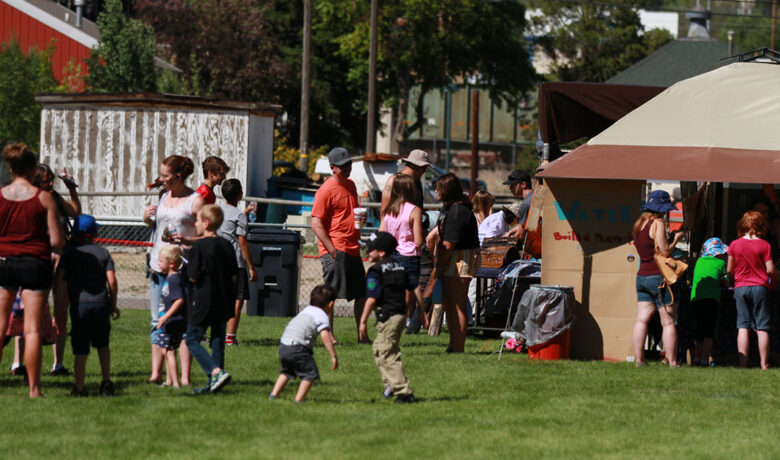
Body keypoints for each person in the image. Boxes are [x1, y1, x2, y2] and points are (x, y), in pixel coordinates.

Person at [0, 143, 64, 398]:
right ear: (32, 168)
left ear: (11, 167)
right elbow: (57, 240)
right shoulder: (44, 197)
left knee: (1, 323)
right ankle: (34, 389)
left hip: (4, 262)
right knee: (33, 329)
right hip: (34, 263)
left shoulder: (1, 195)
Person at [142, 155, 201, 385]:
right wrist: (147, 218)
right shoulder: (163, 195)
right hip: (159, 265)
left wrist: (186, 239)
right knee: (157, 319)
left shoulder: (195, 201)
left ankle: (184, 378)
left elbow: (205, 233)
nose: (161, 179)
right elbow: (156, 228)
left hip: (182, 269)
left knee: (183, 324)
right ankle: (156, 374)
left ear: (178, 176)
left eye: (165, 176)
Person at [311, 147, 367, 343]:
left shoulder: (351, 185)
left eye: (349, 165)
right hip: (335, 249)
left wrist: (361, 218)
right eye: (343, 166)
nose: (348, 169)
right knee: (330, 296)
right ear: (333, 168)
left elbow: (350, 212)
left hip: (353, 247)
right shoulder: (325, 190)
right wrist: (331, 248)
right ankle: (330, 337)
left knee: (361, 294)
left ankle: (362, 335)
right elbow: (316, 223)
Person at [61, 215, 120, 396]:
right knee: (103, 344)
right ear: (94, 232)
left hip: (79, 305)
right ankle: (106, 383)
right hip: (100, 303)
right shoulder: (103, 252)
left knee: (80, 348)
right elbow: (112, 281)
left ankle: (79, 386)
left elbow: (60, 280)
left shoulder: (70, 254)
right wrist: (113, 303)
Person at [33, 164, 81, 376]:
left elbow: (75, 211)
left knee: (61, 312)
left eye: (52, 179)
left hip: (62, 258)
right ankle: (19, 364)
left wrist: (72, 190)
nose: (51, 184)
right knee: (29, 313)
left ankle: (58, 364)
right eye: (46, 180)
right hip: (37, 260)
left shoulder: (54, 197)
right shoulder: (30, 199)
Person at [358, 232, 419, 403]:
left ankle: (404, 392)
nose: (367, 253)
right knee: (378, 348)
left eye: (370, 249)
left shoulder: (375, 271)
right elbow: (414, 289)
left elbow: (371, 299)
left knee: (388, 353)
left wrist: (362, 322)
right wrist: (421, 310)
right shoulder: (400, 267)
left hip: (389, 317)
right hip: (399, 315)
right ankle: (390, 385)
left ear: (382, 252)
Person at [186, 205, 238, 394]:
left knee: (191, 338)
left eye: (198, 220)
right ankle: (214, 384)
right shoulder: (226, 245)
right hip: (224, 299)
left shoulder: (198, 246)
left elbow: (193, 277)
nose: (196, 224)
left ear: (206, 223)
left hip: (204, 300)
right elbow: (234, 275)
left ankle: (215, 371)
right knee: (217, 339)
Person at [631, 190, 683, 368]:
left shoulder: (639, 223)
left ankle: (639, 360)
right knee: (668, 321)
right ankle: (673, 361)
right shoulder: (657, 223)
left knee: (642, 319)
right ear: (661, 209)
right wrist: (676, 239)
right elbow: (665, 250)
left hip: (642, 276)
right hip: (658, 276)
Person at [435, 173, 481, 353]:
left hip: (461, 258)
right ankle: (453, 344)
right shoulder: (452, 208)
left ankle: (458, 347)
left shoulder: (457, 212)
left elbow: (448, 244)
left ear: (446, 191)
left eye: (439, 188)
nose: (436, 191)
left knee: (457, 304)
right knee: (449, 303)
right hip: (455, 257)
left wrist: (439, 265)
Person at [269, 284, 339, 403]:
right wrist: (333, 355)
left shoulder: (306, 310)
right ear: (331, 304)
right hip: (298, 348)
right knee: (310, 374)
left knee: (287, 371)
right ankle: (298, 399)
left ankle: (273, 395)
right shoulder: (322, 315)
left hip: (284, 345)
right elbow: (325, 335)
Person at [380, 173, 429, 330]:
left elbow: (382, 233)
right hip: (409, 254)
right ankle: (409, 319)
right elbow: (419, 240)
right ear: (409, 189)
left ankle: (392, 317)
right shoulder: (414, 210)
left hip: (392, 254)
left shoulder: (388, 210)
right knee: (411, 290)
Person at [728, 211, 776, 369]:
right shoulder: (765, 245)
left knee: (743, 326)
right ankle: (764, 363)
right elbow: (770, 269)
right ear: (761, 225)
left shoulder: (735, 244)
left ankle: (742, 364)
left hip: (741, 287)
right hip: (760, 288)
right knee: (762, 327)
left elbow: (729, 269)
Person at [217, 179, 257, 346]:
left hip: (219, 260)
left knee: (219, 297)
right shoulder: (239, 215)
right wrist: (251, 267)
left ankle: (216, 334)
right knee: (237, 299)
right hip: (235, 262)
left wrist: (245, 213)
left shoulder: (218, 210)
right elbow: (242, 241)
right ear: (240, 194)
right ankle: (230, 338)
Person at [690, 238, 728, 367]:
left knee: (698, 332)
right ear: (718, 253)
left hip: (696, 299)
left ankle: (696, 358)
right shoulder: (721, 263)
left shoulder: (699, 261)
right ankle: (705, 360)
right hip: (712, 300)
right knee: (709, 333)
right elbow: (724, 281)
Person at [155, 245, 188, 389]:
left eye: (161, 261)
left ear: (171, 263)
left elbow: (179, 300)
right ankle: (168, 381)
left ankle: (175, 383)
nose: (158, 263)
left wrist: (165, 316)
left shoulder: (174, 280)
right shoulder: (170, 278)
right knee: (166, 350)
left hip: (171, 322)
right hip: (169, 321)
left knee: (169, 352)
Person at [503, 169, 534, 239]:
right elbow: (524, 226)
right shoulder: (534, 196)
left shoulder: (525, 204)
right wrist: (510, 232)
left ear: (523, 184)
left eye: (513, 185)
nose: (510, 188)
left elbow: (520, 234)